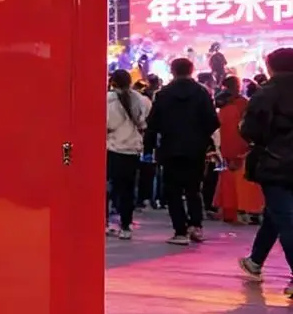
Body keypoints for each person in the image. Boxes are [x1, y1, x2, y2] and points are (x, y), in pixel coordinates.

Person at [144, 56, 220, 245]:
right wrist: (202, 138)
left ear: (172, 71)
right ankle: (196, 226)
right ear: (191, 70)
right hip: (196, 149)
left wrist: (149, 148)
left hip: (170, 148)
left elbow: (153, 124)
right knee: (194, 188)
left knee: (173, 190)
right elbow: (212, 121)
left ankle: (180, 231)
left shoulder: (163, 94)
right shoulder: (202, 93)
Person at [238, 47, 293, 299]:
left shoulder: (266, 93)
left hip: (275, 163)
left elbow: (250, 130)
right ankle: (255, 260)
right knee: (276, 213)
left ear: (270, 67)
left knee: (286, 219)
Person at [106, 69, 151, 239]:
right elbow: (145, 123)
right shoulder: (141, 100)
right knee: (128, 189)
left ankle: (106, 222)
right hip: (132, 150)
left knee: (109, 188)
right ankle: (126, 225)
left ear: (112, 82)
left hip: (112, 148)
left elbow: (106, 124)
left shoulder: (107, 100)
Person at [214, 75, 263, 226]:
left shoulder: (223, 105)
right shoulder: (242, 104)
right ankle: (241, 210)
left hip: (226, 146)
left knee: (229, 179)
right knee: (240, 182)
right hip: (239, 148)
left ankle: (229, 211)